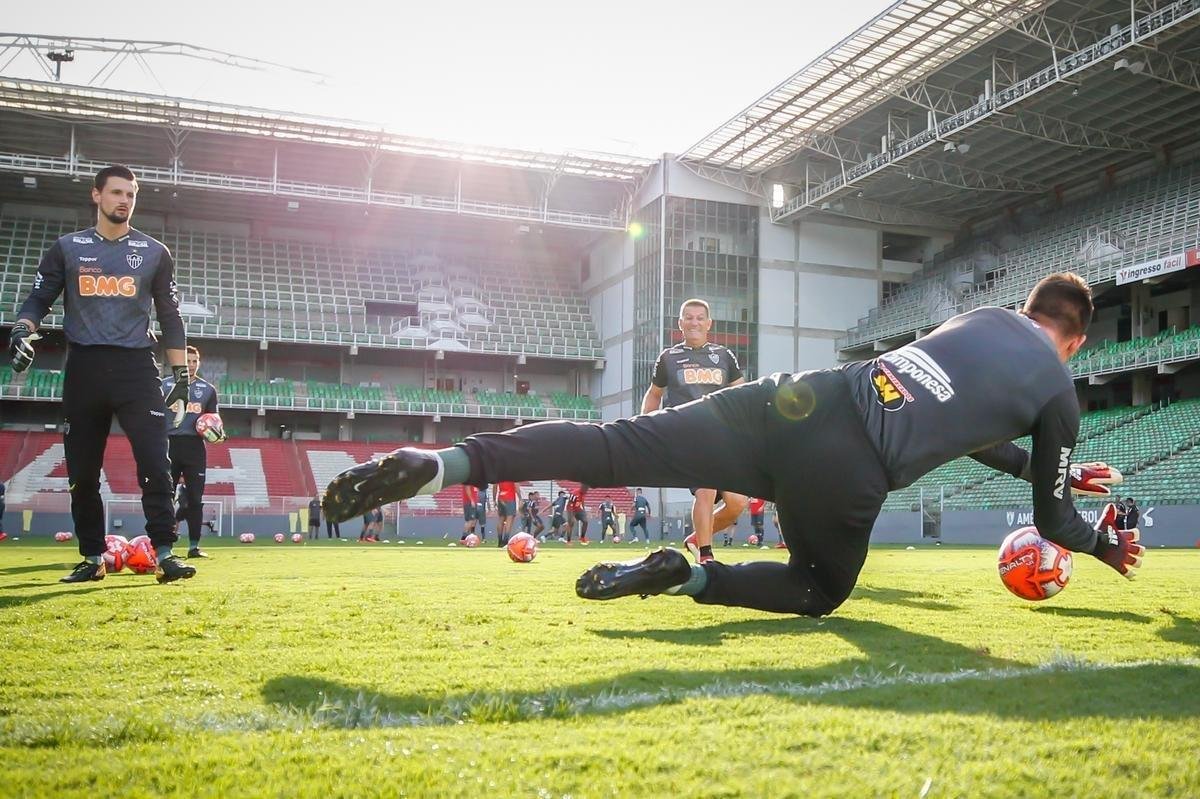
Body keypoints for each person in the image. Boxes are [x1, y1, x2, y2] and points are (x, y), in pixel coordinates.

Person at [324, 272, 1143, 617]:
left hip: (798, 399)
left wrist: (1039, 459)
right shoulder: (1057, 388)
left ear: (1029, 308)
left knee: (611, 445)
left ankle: (445, 462)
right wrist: (1102, 542)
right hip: (847, 467)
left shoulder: (982, 316)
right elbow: (1054, 520)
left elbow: (957, 420)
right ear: (1074, 339)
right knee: (819, 588)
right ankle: (689, 575)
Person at [9, 164, 195, 584]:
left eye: (130, 194)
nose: (124, 200)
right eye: (116, 192)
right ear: (96, 195)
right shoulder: (67, 248)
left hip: (137, 369)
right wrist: (22, 329)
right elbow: (39, 298)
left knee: (156, 463)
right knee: (82, 472)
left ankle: (166, 554)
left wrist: (181, 376)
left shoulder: (154, 252)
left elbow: (170, 316)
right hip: (85, 368)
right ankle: (92, 557)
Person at [643, 299, 748, 564]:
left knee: (737, 503)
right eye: (688, 317)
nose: (694, 322)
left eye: (700, 318)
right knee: (706, 487)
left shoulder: (724, 356)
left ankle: (695, 539)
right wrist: (645, 428)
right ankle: (706, 555)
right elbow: (654, 395)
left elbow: (742, 393)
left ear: (709, 323)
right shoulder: (668, 358)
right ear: (680, 323)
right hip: (687, 435)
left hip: (721, 437)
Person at [162, 344, 223, 558]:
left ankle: (194, 547)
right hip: (169, 445)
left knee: (196, 499)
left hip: (195, 447)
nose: (191, 365)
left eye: (194, 361)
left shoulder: (208, 390)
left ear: (199, 363)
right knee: (165, 497)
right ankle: (163, 547)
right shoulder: (164, 386)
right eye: (187, 361)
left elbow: (214, 420)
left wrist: (217, 433)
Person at [495, 480, 519, 546]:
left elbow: (494, 486)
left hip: (501, 497)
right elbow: (516, 486)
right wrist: (520, 498)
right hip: (510, 497)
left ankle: (500, 541)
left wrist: (494, 499)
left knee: (501, 519)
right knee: (509, 519)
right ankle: (505, 540)